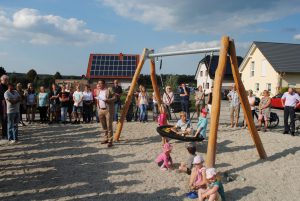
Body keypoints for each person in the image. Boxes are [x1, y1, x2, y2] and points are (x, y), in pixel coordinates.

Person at [96, 80, 116, 147]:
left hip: (108, 110)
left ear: (104, 84)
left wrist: (108, 100)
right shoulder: (98, 91)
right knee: (104, 126)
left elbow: (115, 98)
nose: (99, 84)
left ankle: (110, 141)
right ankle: (106, 138)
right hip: (100, 110)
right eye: (98, 83)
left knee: (109, 126)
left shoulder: (109, 89)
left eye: (100, 83)